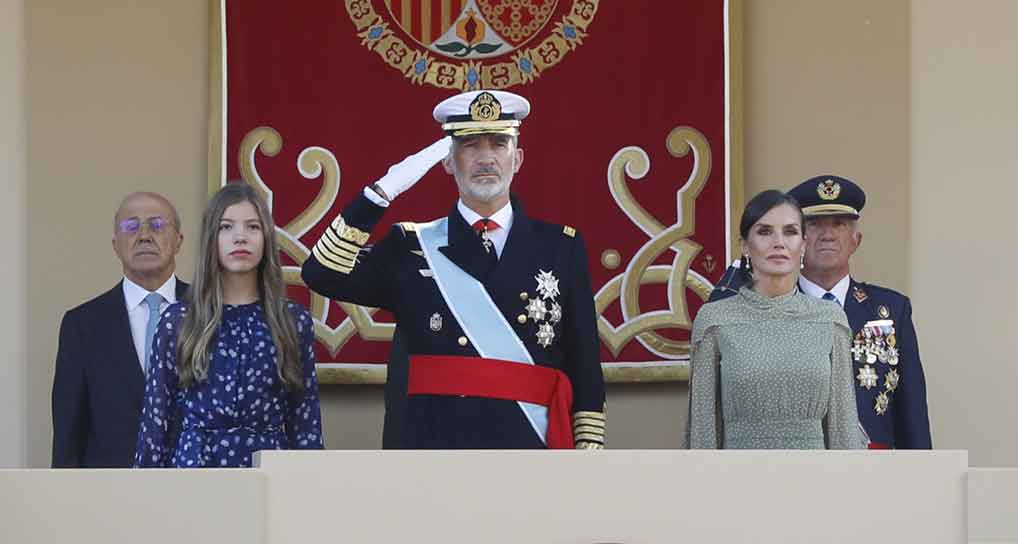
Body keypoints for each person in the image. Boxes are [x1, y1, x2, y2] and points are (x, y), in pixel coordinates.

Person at [301, 89, 606, 449]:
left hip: (529, 446)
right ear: (447, 161)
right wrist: (380, 194)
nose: (486, 158)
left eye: (499, 144)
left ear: (518, 158)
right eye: (470, 145)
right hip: (435, 447)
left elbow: (583, 356)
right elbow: (321, 273)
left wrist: (588, 443)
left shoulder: (560, 247)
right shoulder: (411, 246)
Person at [706, 175, 932, 449]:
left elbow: (912, 414)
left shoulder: (891, 310)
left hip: (873, 474)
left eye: (839, 224)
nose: (827, 235)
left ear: (856, 239)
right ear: (800, 240)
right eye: (814, 224)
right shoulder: (762, 307)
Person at [133, 182, 323, 467]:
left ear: (266, 239)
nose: (240, 237)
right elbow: (155, 425)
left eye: (252, 227)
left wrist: (308, 490)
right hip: (194, 475)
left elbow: (306, 424)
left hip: (269, 474)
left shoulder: (293, 321)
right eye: (226, 227)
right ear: (212, 238)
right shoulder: (178, 321)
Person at [685, 190, 863, 449]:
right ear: (745, 246)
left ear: (803, 245)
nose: (778, 242)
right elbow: (702, 429)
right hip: (738, 476)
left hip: (814, 478)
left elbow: (843, 427)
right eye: (765, 232)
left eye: (790, 232)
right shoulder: (715, 320)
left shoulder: (830, 319)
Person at [51, 192, 188, 468]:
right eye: (131, 226)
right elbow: (69, 433)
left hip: (197, 486)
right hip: (109, 496)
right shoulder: (82, 325)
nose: (145, 235)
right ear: (115, 245)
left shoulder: (212, 313)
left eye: (157, 225)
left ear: (178, 242)